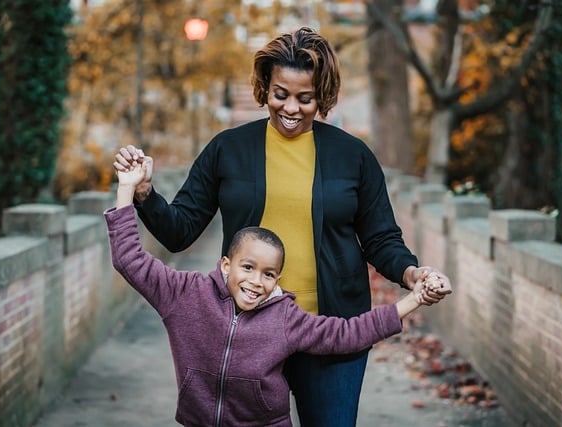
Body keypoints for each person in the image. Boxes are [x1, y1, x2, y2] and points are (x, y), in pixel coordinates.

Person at [113, 26, 452, 426]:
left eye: (305, 98)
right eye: (281, 94)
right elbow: (179, 230)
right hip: (248, 335)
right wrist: (145, 195)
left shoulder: (352, 157)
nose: (291, 108)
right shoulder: (228, 149)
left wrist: (412, 274)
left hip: (329, 331)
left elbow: (380, 238)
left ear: (321, 96)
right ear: (265, 89)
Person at [105, 159, 449, 426]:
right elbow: (128, 259)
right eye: (248, 267)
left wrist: (413, 299)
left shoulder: (285, 318)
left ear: (277, 279)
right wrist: (127, 189)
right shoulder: (186, 294)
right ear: (226, 264)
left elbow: (348, 334)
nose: (257, 281)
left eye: (269, 274)